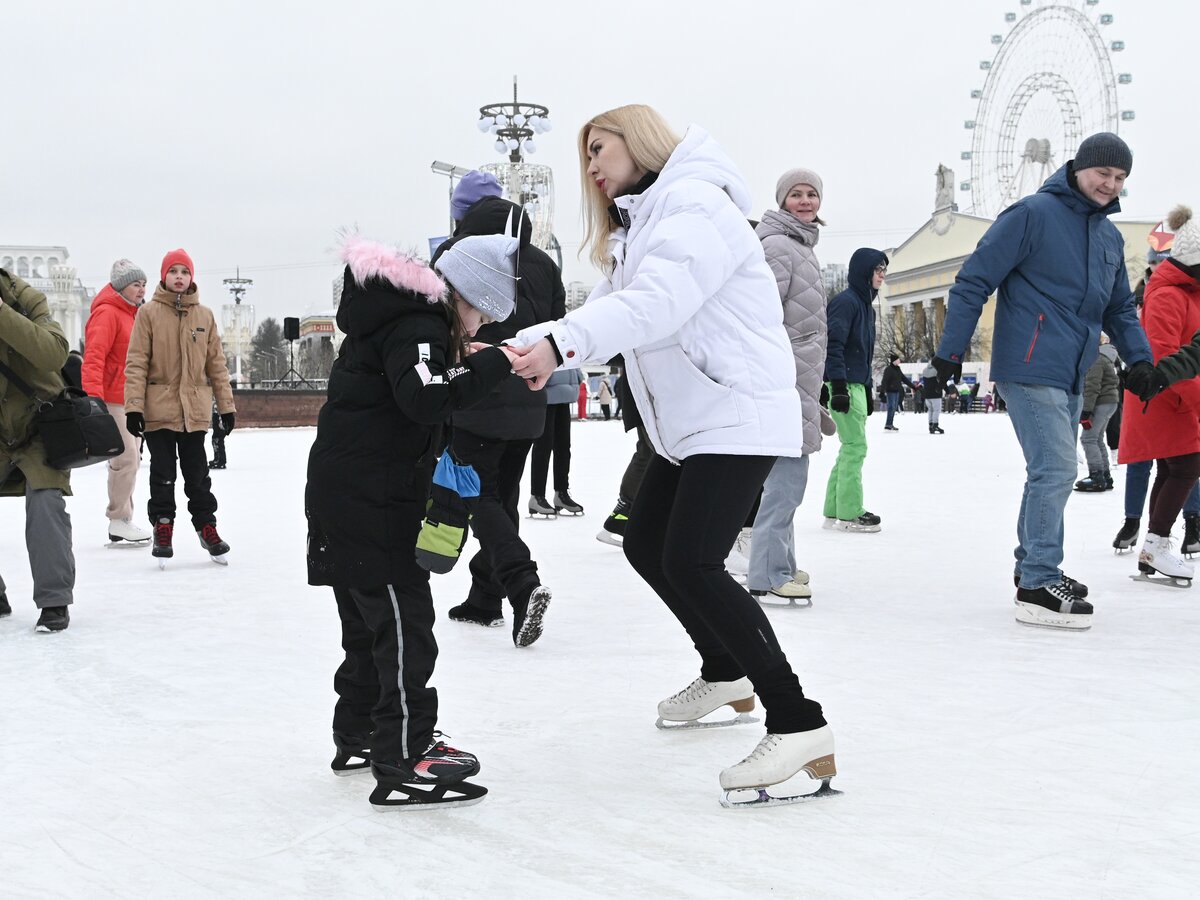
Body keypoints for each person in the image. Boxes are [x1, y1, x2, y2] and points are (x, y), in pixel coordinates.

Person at [507, 104, 835, 800]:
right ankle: (726, 669)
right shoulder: (645, 224)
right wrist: (525, 344)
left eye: (600, 147)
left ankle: (798, 719)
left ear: (642, 140)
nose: (591, 165)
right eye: (585, 155)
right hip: (692, 423)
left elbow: (651, 308)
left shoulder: (692, 206)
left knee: (691, 558)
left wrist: (559, 348)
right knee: (647, 543)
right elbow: (601, 308)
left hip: (736, 411)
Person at [305, 231, 522, 808]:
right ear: (462, 295)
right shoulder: (420, 324)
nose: (479, 330)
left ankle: (361, 731)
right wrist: (496, 363)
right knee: (404, 627)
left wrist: (460, 358)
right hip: (372, 500)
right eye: (480, 315)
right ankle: (406, 750)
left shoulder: (399, 317)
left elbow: (409, 381)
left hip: (345, 492)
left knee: (367, 628)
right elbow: (424, 397)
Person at [933, 132, 1154, 629]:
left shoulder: (1108, 237)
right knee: (1055, 468)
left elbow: (1119, 306)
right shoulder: (1031, 214)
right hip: (1029, 364)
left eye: (1120, 178)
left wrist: (1138, 359)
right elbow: (974, 280)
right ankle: (1037, 581)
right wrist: (950, 351)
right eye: (1103, 173)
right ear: (1080, 168)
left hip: (1074, 369)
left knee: (1049, 472)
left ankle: (1031, 566)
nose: (1110, 184)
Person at [435, 190, 562, 637]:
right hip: (529, 399)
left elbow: (439, 323)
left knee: (476, 496)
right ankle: (485, 597)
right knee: (502, 499)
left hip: (476, 396)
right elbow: (557, 325)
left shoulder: (458, 256)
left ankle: (522, 584)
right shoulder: (544, 264)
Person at [746, 166, 832, 604]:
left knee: (787, 480)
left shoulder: (799, 243)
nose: (805, 201)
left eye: (811, 194)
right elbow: (761, 312)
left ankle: (780, 564)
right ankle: (767, 573)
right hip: (784, 378)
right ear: (782, 201)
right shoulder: (779, 244)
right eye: (795, 195)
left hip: (799, 376)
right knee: (785, 483)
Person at [124, 249, 236, 566]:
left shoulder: (204, 316)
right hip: (158, 411)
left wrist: (226, 407)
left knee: (198, 476)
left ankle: (206, 526)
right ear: (163, 276)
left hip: (195, 413)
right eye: (172, 271)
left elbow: (217, 365)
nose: (178, 277)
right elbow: (136, 364)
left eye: (184, 272)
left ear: (191, 277)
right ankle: (163, 526)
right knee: (162, 474)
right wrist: (134, 407)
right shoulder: (148, 314)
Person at [1116, 205, 1200, 585]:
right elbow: (1164, 354)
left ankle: (1154, 547)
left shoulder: (1187, 291)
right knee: (1185, 467)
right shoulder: (1167, 294)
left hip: (1175, 395)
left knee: (1173, 468)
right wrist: (1195, 398)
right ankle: (1156, 544)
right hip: (1166, 396)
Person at [0, 264, 75, 632]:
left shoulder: (25, 297)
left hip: (39, 424)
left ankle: (53, 600)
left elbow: (53, 354)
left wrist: (2, 315)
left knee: (45, 500)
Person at [81, 259, 152, 545]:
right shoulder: (108, 314)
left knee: (129, 459)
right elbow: (94, 358)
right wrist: (94, 401)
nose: (141, 289)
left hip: (130, 398)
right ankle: (119, 518)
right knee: (126, 459)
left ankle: (122, 519)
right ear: (122, 287)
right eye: (136, 284)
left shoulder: (133, 314)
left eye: (144, 284)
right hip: (113, 399)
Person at [823, 249, 887, 533]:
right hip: (844, 385)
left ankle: (834, 509)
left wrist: (868, 387)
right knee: (855, 447)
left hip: (856, 384)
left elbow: (865, 353)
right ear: (863, 272)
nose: (882, 275)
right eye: (877, 269)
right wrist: (837, 386)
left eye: (884, 270)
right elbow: (832, 344)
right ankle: (849, 514)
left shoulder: (866, 307)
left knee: (849, 447)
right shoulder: (846, 303)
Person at [527, 366, 584, 516]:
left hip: (564, 394)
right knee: (543, 447)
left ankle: (561, 492)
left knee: (563, 447)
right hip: (545, 395)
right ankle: (537, 495)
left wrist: (577, 375)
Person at [1074, 341, 1119, 492]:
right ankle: (1105, 475)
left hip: (1101, 402)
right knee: (1097, 438)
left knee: (1088, 438)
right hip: (1110, 402)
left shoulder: (1097, 359)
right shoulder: (1107, 357)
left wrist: (1086, 410)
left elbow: (1092, 386)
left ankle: (1096, 476)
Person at [880, 352, 915, 431]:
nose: (899, 361)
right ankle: (888, 424)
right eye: (898, 359)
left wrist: (913, 387)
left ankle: (890, 424)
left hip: (897, 391)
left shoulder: (898, 369)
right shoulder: (888, 369)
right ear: (894, 361)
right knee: (891, 407)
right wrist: (882, 391)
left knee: (894, 407)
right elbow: (884, 381)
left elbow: (904, 379)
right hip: (890, 391)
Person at [920, 361, 946, 434]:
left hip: (927, 395)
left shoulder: (924, 370)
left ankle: (930, 425)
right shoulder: (937, 370)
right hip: (936, 394)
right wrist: (947, 391)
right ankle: (935, 425)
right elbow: (942, 382)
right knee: (936, 410)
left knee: (930, 410)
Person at [208, 401, 227, 469]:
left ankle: (220, 461)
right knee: (215, 440)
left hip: (219, 420)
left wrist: (221, 422)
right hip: (217, 418)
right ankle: (218, 459)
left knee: (218, 440)